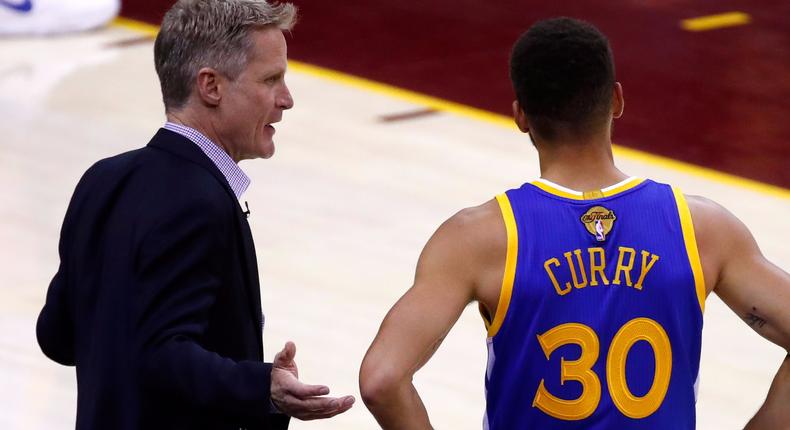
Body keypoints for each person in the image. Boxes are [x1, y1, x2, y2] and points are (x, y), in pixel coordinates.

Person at [359, 17, 790, 429]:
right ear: (617, 100)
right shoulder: (700, 227)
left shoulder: (480, 237)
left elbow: (382, 379)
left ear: (520, 115)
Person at [36, 1, 354, 429]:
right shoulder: (200, 201)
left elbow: (57, 337)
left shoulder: (103, 179)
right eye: (271, 79)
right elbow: (160, 355)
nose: (287, 99)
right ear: (211, 86)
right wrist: (264, 388)